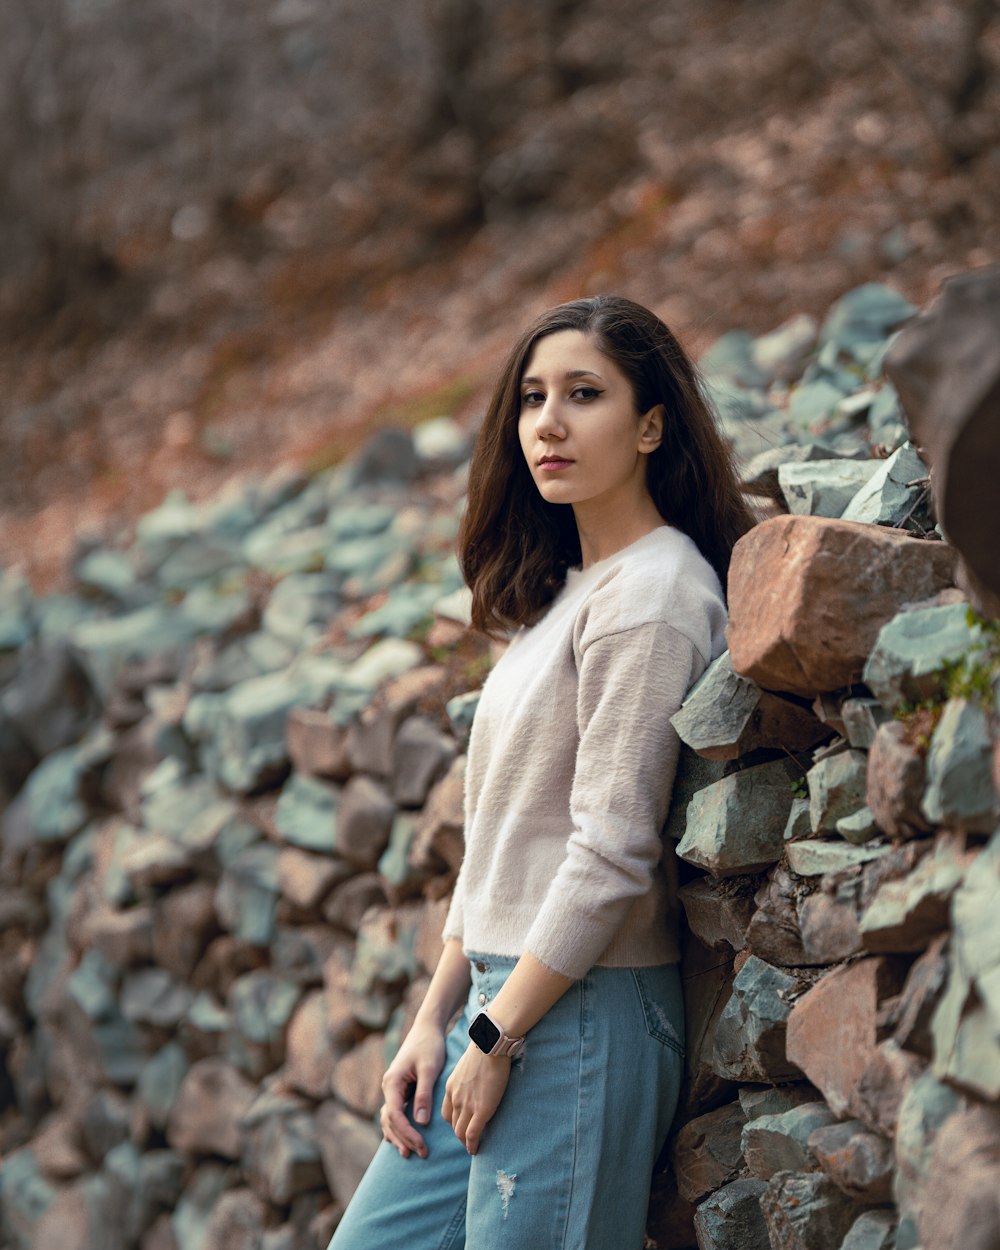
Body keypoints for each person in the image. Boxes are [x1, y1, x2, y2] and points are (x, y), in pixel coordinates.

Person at [327, 294, 755, 1250]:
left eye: (583, 393)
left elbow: (608, 849)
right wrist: (436, 1020)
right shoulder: (556, 600)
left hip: (578, 1014)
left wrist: (497, 1035)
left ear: (650, 426)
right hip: (499, 1003)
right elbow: (500, 840)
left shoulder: (656, 592)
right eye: (530, 397)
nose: (547, 423)